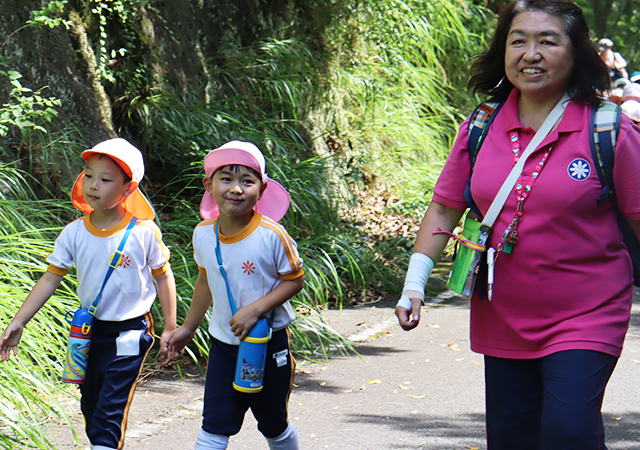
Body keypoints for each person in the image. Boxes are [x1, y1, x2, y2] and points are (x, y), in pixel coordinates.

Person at [396, 1, 640, 449]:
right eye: (518, 41)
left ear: (577, 52)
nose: (531, 53)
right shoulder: (481, 126)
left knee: (569, 432)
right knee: (513, 439)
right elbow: (445, 208)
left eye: (548, 41)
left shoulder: (609, 130)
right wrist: (414, 283)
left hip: (587, 313)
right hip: (502, 313)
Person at [0, 138, 177, 450]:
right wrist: (19, 321)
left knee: (110, 406)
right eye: (89, 175)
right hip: (87, 331)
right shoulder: (74, 233)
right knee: (91, 403)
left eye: (106, 179)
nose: (94, 185)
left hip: (131, 330)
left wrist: (171, 327)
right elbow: (49, 279)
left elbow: (163, 277)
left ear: (128, 188)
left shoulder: (143, 233)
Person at [167, 141, 304, 450]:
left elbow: (294, 280)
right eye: (226, 179)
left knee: (273, 423)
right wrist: (188, 328)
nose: (236, 189)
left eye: (247, 180)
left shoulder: (272, 235)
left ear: (263, 187)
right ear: (209, 184)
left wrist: (255, 310)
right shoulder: (203, 233)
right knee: (214, 425)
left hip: (269, 346)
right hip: (224, 347)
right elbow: (206, 280)